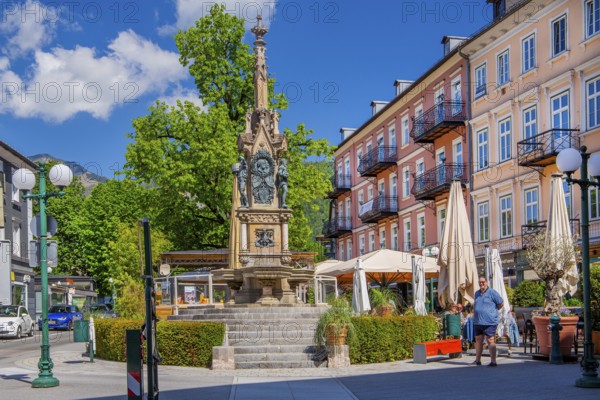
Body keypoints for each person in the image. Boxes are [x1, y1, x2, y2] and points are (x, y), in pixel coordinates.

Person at [472, 276, 503, 367]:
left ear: (486, 282)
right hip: (478, 321)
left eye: (483, 282)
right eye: (480, 282)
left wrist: (492, 311)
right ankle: (478, 360)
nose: (481, 284)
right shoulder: (477, 293)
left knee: (490, 340)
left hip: (490, 322)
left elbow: (501, 303)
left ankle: (493, 361)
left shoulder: (492, 292)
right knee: (478, 340)